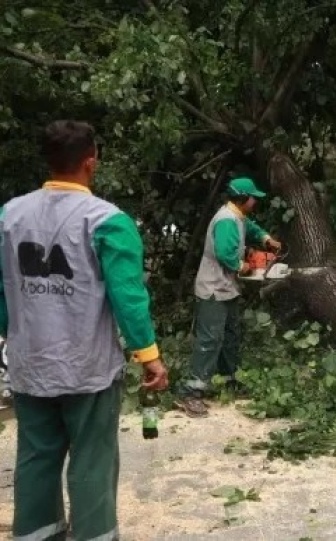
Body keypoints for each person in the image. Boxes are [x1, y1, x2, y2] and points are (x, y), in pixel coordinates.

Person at [0, 120, 168, 541]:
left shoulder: (9, 215)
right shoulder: (106, 221)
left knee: (36, 458)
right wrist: (149, 356)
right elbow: (128, 297)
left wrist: (13, 333)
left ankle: (36, 535)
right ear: (91, 162)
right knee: (92, 461)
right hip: (87, 370)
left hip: (30, 366)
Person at [175, 177, 280, 417]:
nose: (255, 201)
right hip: (213, 287)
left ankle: (228, 379)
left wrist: (266, 239)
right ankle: (190, 392)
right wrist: (243, 266)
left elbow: (250, 228)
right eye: (253, 197)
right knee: (210, 339)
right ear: (243, 198)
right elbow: (224, 253)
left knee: (231, 334)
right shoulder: (225, 220)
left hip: (228, 287)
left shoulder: (238, 217)